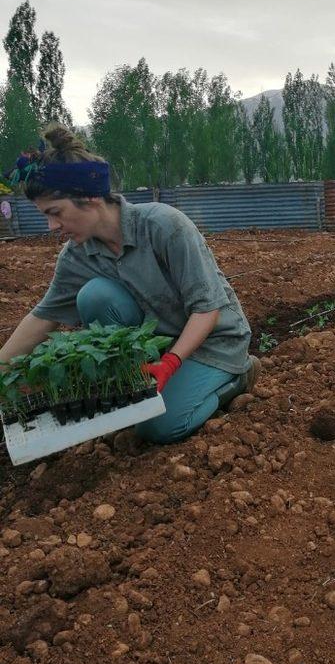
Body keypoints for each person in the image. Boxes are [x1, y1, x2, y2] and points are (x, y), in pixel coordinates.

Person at [0, 125, 259, 445]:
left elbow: (208, 310)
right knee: (94, 296)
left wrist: (171, 362)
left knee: (157, 428)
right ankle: (141, 386)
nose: (52, 226)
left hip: (214, 342)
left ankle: (237, 377)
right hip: (161, 343)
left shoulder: (164, 226)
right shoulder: (77, 256)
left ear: (90, 197)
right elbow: (43, 318)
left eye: (56, 213)